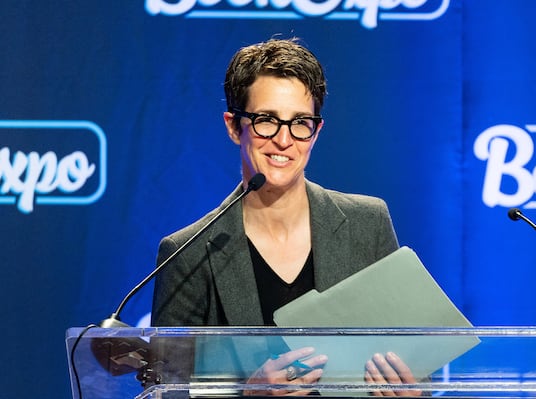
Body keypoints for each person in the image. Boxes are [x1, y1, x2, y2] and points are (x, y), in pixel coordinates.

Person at [151, 37, 420, 396]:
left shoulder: (367, 224)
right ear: (234, 127)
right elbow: (166, 392)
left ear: (316, 131)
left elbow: (411, 361)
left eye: (300, 123)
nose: (283, 140)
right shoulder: (187, 254)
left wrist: (412, 391)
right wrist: (250, 395)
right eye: (266, 120)